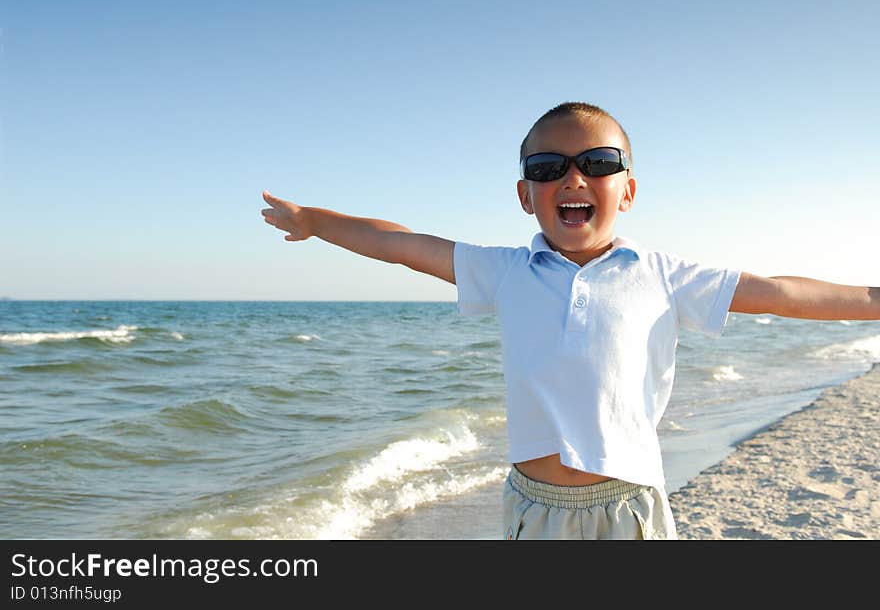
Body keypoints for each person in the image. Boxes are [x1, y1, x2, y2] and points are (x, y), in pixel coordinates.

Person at [260, 101, 879, 539]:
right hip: (535, 507)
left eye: (598, 163)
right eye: (548, 168)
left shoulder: (662, 274)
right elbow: (400, 242)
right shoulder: (505, 271)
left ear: (627, 190)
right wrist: (317, 222)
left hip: (628, 505)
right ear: (526, 194)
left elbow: (779, 292)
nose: (573, 178)